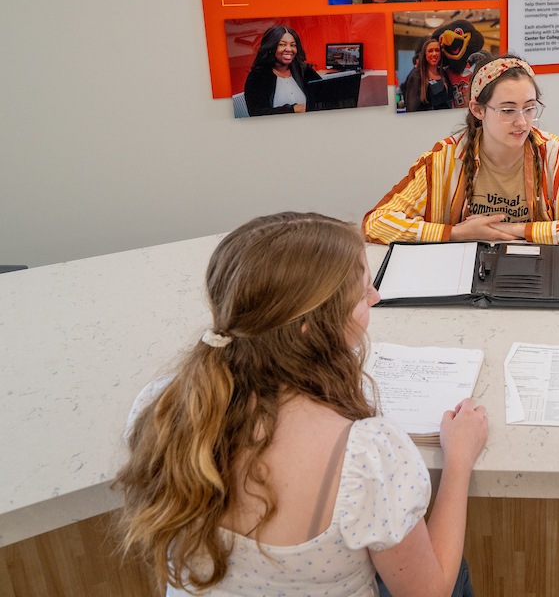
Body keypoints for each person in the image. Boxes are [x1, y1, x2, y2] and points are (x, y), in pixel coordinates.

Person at [115, 212, 489, 596]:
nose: (374, 297)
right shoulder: (368, 454)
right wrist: (458, 460)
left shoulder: (162, 406)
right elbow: (431, 592)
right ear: (311, 329)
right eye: (363, 293)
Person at [364, 55, 559, 247]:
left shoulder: (552, 153)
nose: (522, 122)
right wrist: (456, 233)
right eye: (507, 110)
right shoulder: (445, 157)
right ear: (478, 110)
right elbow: (376, 224)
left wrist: (517, 230)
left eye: (529, 108)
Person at [243, 24, 322, 116]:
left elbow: (323, 97)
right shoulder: (258, 76)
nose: (289, 49)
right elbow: (257, 114)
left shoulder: (303, 69)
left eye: (293, 45)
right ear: (271, 47)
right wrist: (292, 109)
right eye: (282, 44)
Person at [403, 38, 455, 112]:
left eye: (437, 50)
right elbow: (411, 108)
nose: (434, 54)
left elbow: (450, 100)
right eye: (430, 51)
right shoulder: (416, 76)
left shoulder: (444, 73)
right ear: (424, 54)